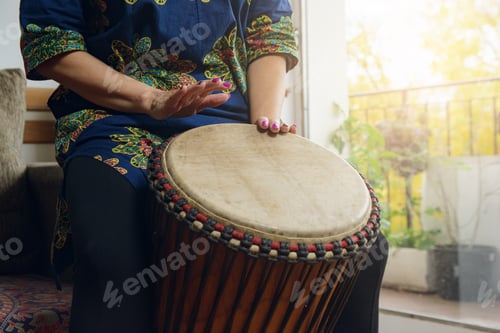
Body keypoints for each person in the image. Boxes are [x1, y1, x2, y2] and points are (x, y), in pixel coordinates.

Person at [19, 1, 387, 332]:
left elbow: (269, 31)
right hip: (112, 119)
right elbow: (51, 41)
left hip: (229, 125)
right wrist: (151, 98)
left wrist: (264, 123)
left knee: (355, 246)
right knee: (109, 250)